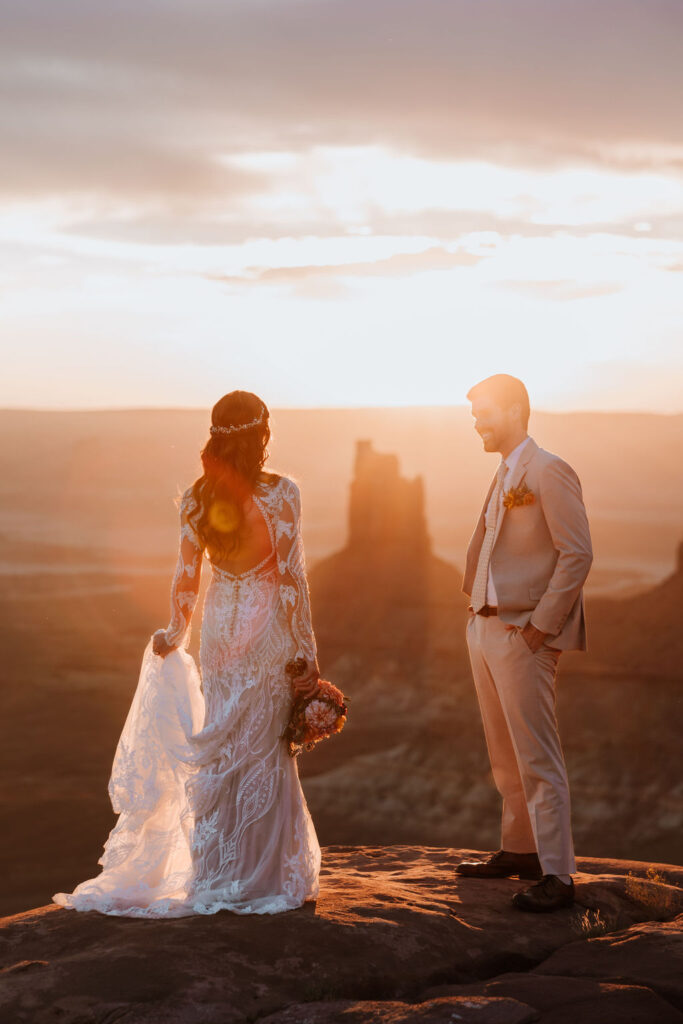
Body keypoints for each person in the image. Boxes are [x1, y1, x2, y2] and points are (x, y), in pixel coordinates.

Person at [53, 390, 321, 917]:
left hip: (220, 630)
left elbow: (187, 576)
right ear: (262, 435)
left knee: (223, 741)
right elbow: (291, 578)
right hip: (266, 630)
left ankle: (216, 871)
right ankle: (261, 874)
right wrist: (307, 651)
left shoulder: (198, 498)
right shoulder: (283, 494)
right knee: (265, 745)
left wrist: (176, 631)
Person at [457, 374, 593, 912]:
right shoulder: (505, 471)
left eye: (484, 411)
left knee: (537, 755)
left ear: (515, 410)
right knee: (503, 752)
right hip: (485, 627)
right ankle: (520, 851)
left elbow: (577, 553)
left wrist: (541, 627)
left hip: (522, 633)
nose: (476, 422)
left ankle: (558, 875)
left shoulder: (549, 470)